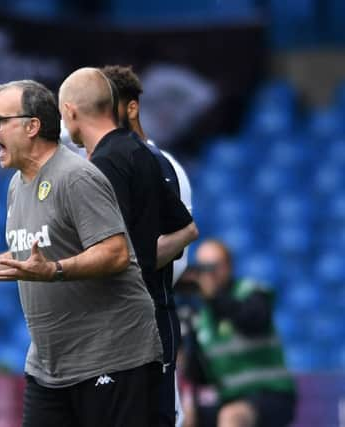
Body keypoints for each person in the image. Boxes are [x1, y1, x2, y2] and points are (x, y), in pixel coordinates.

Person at [0, 79, 163, 427]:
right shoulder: (17, 185)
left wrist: (55, 270)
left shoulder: (75, 177)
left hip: (111, 358)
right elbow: (25, 260)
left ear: (32, 126)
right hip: (49, 367)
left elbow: (116, 253)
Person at [101, 64, 196, 427]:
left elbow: (176, 251)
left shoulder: (163, 167)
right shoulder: (98, 168)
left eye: (108, 108)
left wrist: (111, 267)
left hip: (148, 320)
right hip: (104, 325)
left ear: (132, 108)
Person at [183, 239, 296, 427]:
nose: (208, 274)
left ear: (229, 266)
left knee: (232, 416)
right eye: (202, 267)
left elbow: (254, 321)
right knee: (183, 416)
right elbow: (201, 376)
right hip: (229, 398)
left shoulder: (251, 292)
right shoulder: (201, 315)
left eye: (213, 266)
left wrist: (213, 297)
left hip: (270, 394)